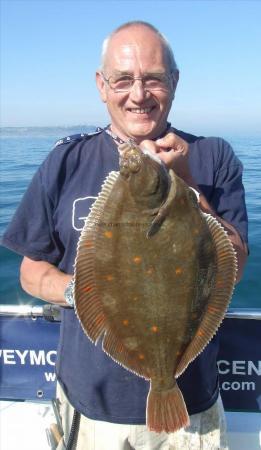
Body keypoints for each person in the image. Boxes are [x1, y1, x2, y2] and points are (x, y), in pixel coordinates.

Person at [2, 21, 248, 450]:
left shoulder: (213, 156)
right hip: (92, 408)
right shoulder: (65, 160)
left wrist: (187, 186)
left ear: (175, 83)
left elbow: (236, 263)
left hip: (194, 411)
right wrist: (87, 293)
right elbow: (29, 274)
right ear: (102, 85)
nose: (138, 95)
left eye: (153, 79)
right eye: (123, 80)